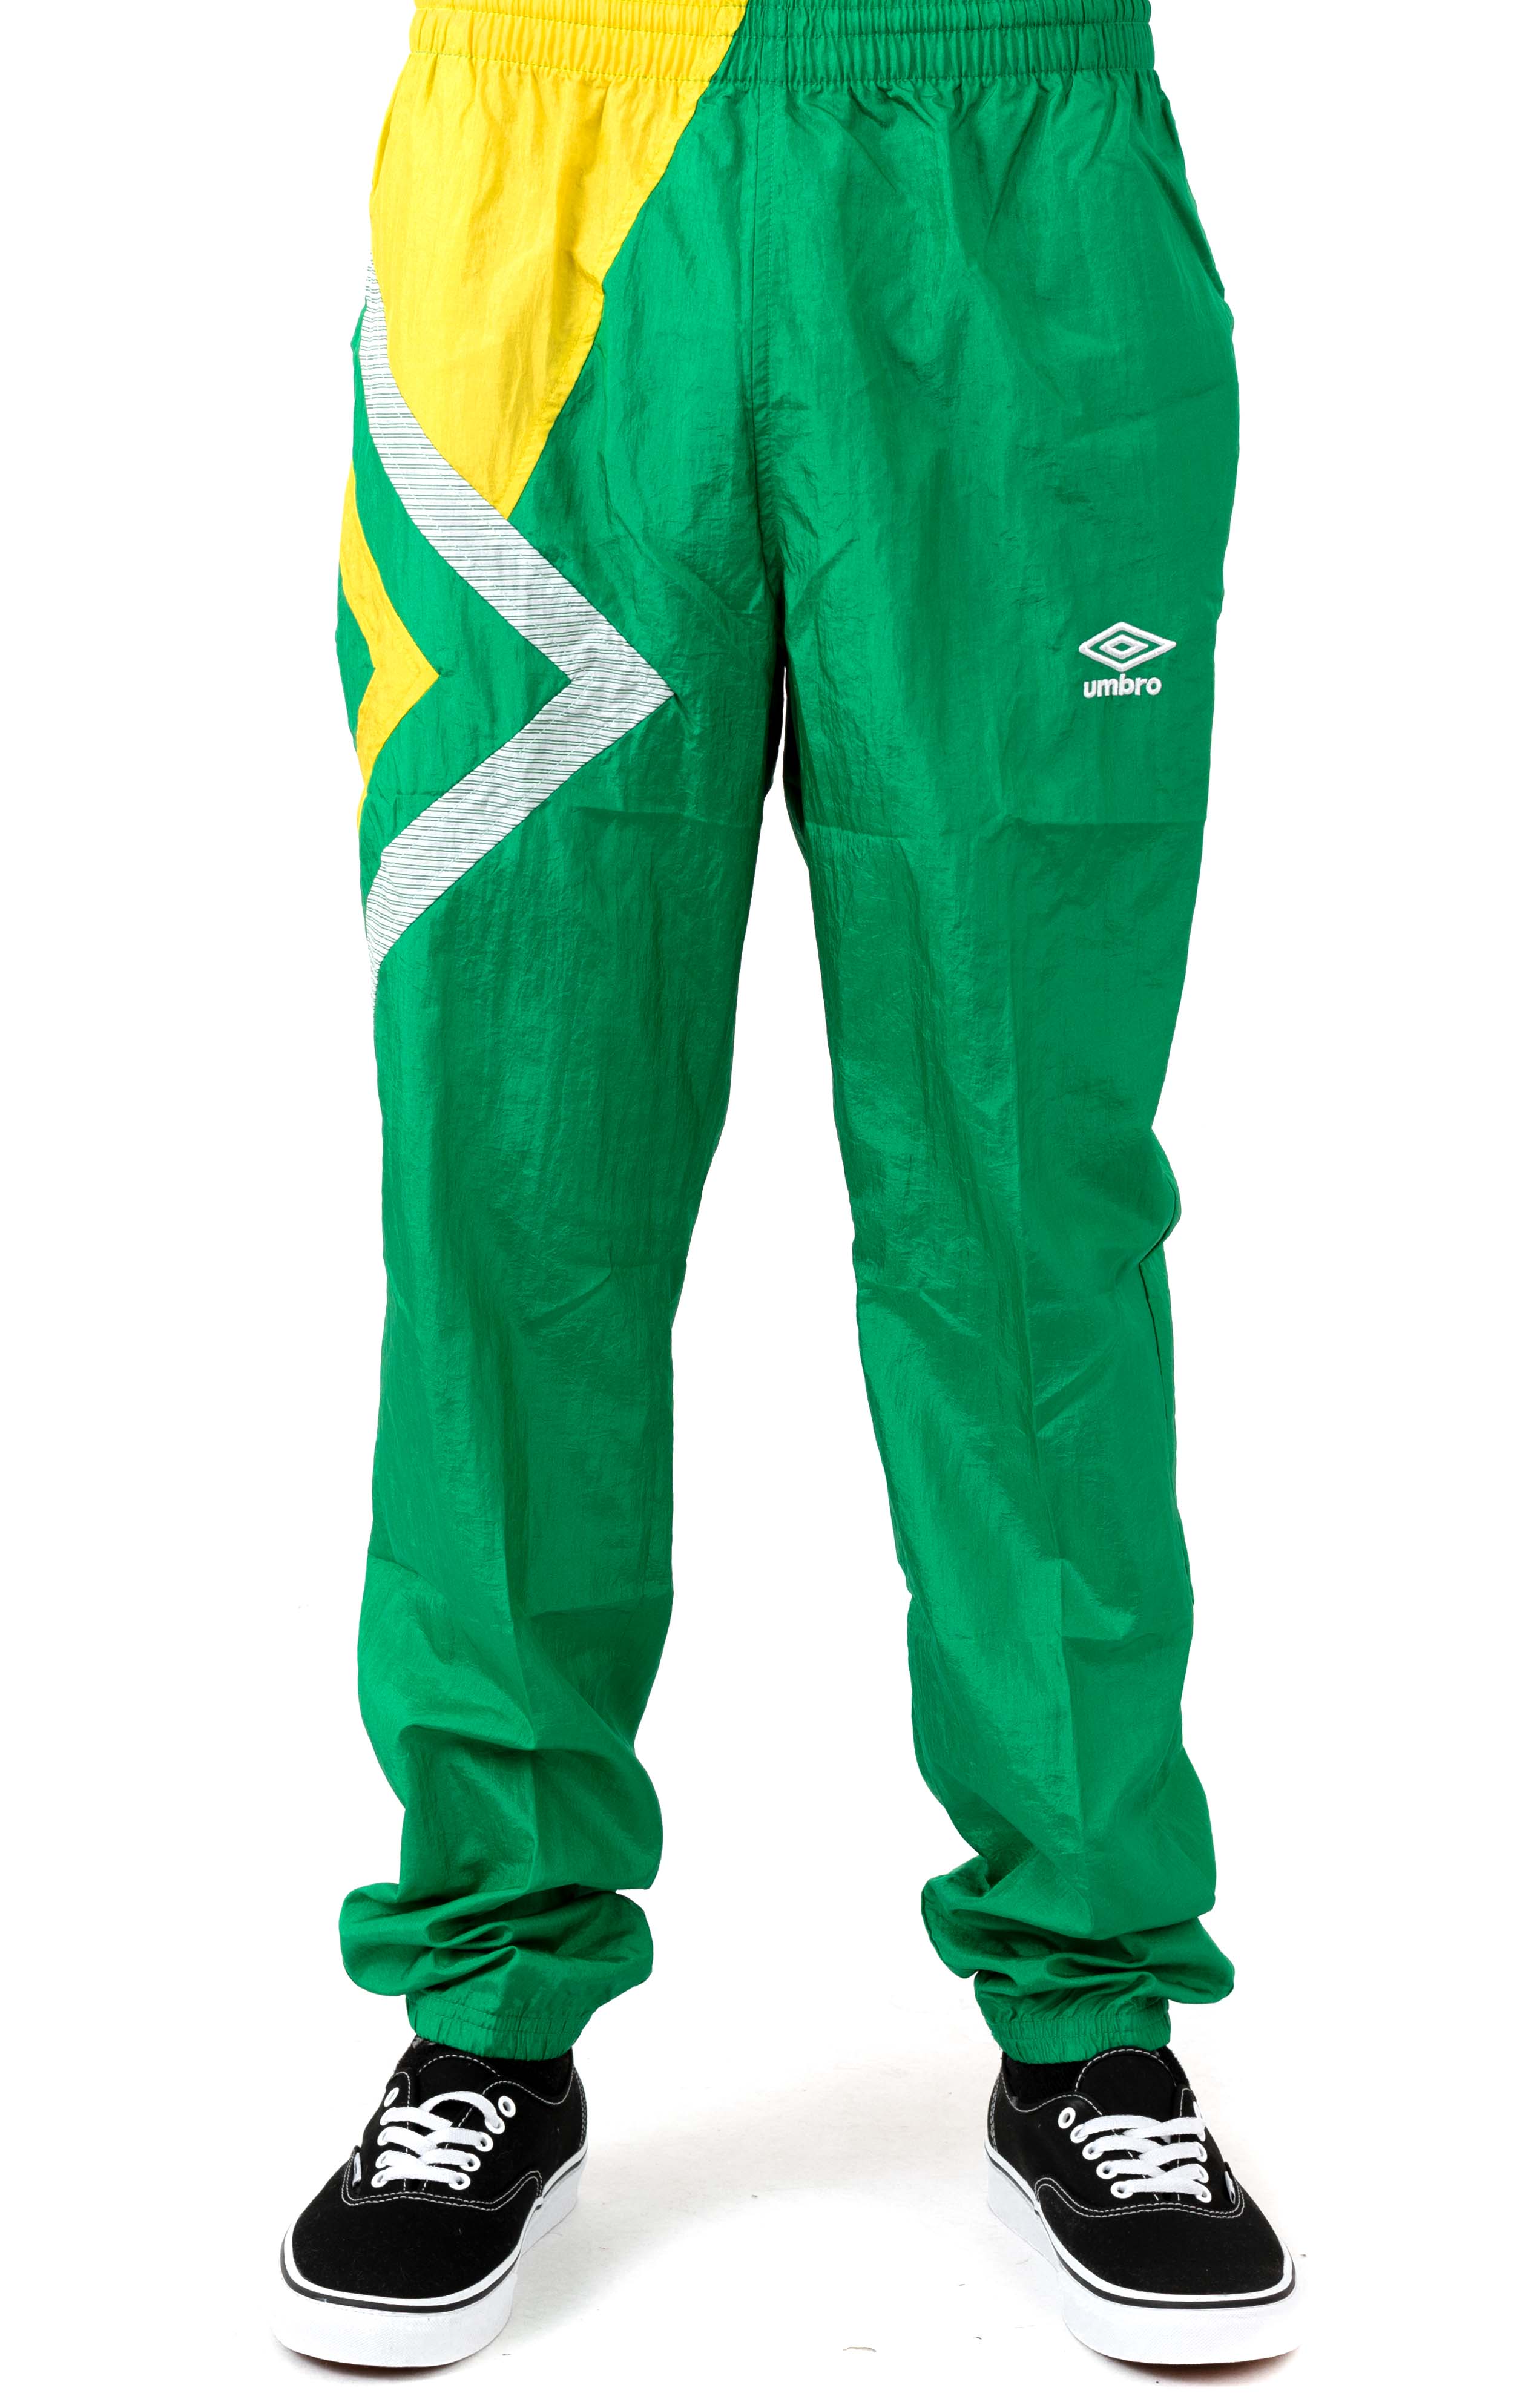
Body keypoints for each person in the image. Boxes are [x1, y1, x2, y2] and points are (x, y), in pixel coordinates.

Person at [274, 0, 1297, 2368]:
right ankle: (484, 1996)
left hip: (1013, 159)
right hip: (548, 183)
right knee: (512, 1170)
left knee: (1022, 1184)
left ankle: (1094, 2007)